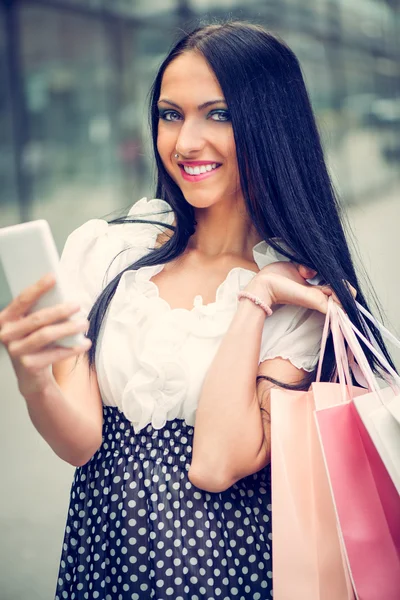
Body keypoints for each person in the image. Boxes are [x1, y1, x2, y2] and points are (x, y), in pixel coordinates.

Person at [0, 21, 395, 600]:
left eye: (218, 114)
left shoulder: (303, 297)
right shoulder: (111, 253)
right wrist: (32, 379)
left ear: (270, 125)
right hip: (103, 560)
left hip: (230, 570)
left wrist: (256, 298)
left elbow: (213, 464)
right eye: (169, 114)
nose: (185, 142)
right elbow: (81, 441)